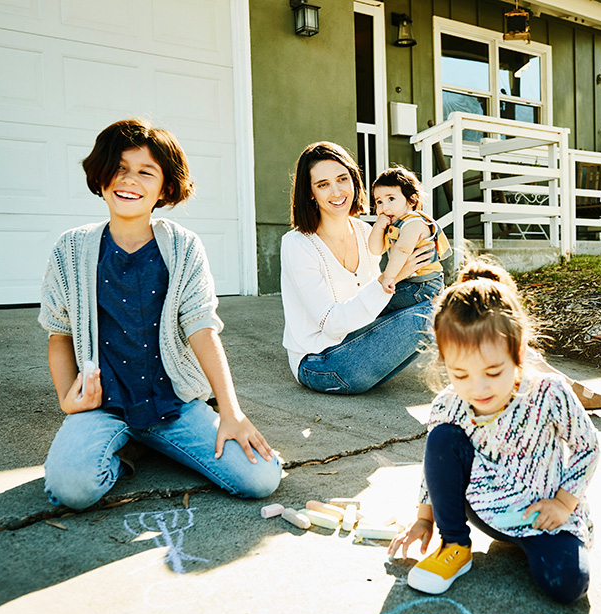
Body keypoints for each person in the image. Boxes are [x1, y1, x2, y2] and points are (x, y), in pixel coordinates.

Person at [38, 119, 281, 509]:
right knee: (71, 490)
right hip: (104, 405)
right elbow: (59, 334)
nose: (128, 180)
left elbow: (203, 329)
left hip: (174, 403)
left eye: (144, 172)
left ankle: (155, 440)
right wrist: (69, 399)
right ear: (101, 177)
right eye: (119, 168)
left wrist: (232, 413)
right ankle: (130, 447)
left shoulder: (183, 246)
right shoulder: (71, 248)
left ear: (165, 188)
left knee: (261, 478)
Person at [387, 259, 601, 603]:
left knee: (568, 586)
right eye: (461, 374)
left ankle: (531, 545)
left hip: (541, 513)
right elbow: (436, 469)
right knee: (442, 438)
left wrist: (564, 503)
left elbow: (587, 448)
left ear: (517, 353)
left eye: (492, 371)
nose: (478, 388)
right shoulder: (448, 404)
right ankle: (455, 545)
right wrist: (424, 519)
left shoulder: (549, 392)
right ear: (445, 362)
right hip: (479, 506)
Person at [280, 142, 436, 394]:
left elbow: (372, 306)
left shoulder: (366, 233)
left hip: (360, 341)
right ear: (310, 192)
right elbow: (331, 323)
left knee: (439, 297)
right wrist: (394, 275)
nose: (337, 191)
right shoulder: (297, 244)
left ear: (354, 180)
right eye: (323, 184)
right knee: (442, 311)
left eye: (342, 179)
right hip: (321, 364)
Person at [367, 166, 451, 313]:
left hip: (425, 284)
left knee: (379, 306)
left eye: (391, 199)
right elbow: (375, 249)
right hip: (411, 282)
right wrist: (379, 226)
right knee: (375, 302)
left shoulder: (414, 222)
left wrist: (389, 278)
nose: (384, 206)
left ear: (411, 200)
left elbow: (402, 249)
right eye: (379, 202)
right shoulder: (395, 225)